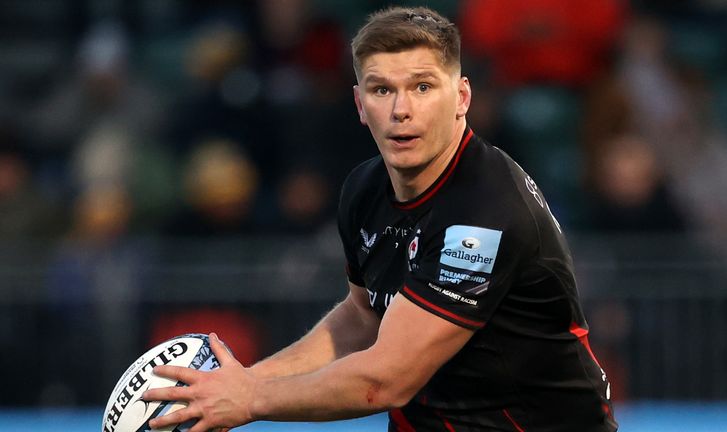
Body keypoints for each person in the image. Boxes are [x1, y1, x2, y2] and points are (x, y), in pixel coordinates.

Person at [144, 7, 617, 431]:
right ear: (359, 105)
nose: (401, 110)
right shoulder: (364, 188)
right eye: (381, 89)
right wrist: (241, 382)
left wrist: (250, 399)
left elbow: (385, 382)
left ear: (462, 97)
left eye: (423, 86)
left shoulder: (485, 212)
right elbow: (361, 317)